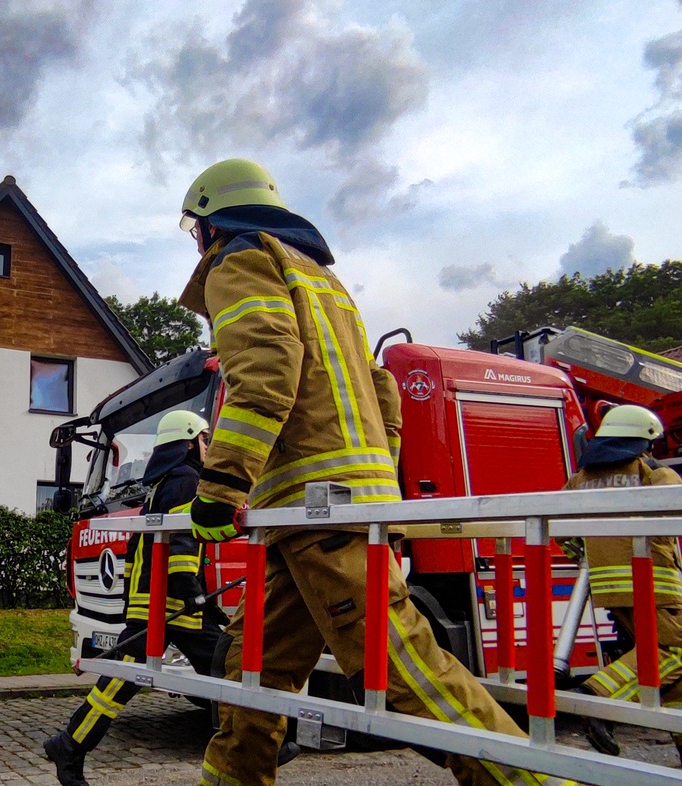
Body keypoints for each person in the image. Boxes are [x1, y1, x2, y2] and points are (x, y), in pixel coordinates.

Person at [177, 158, 574, 786]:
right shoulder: (323, 282)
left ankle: (531, 779)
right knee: (253, 671)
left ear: (209, 224)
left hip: (316, 506)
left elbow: (266, 370)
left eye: (193, 228)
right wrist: (374, 481)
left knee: (396, 666)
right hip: (324, 508)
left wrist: (222, 484)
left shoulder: (243, 262)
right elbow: (383, 392)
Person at [44, 411, 232, 786]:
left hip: (160, 601)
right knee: (227, 665)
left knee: (221, 665)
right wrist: (191, 592)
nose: (209, 447)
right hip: (170, 604)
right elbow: (180, 541)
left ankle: (70, 744)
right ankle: (69, 745)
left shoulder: (164, 482)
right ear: (189, 442)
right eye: (205, 439)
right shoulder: (185, 480)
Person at [565, 404, 682, 769]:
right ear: (643, 442)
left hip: (608, 587)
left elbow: (561, 530)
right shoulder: (653, 472)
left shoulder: (579, 479)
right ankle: (596, 698)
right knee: (671, 653)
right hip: (654, 583)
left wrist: (587, 554)